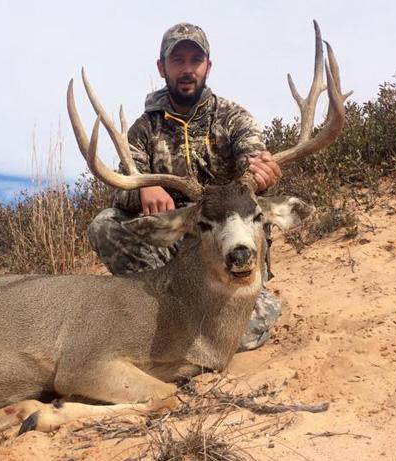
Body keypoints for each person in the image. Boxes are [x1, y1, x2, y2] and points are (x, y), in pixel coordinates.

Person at [87, 23, 283, 350]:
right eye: (178, 61)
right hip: (177, 241)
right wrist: (142, 190)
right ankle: (162, 305)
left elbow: (253, 162)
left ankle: (242, 300)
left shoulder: (234, 118)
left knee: (244, 337)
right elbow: (119, 185)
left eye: (196, 59)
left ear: (208, 66)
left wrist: (263, 173)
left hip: (227, 242)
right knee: (105, 224)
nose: (187, 69)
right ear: (162, 68)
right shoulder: (143, 130)